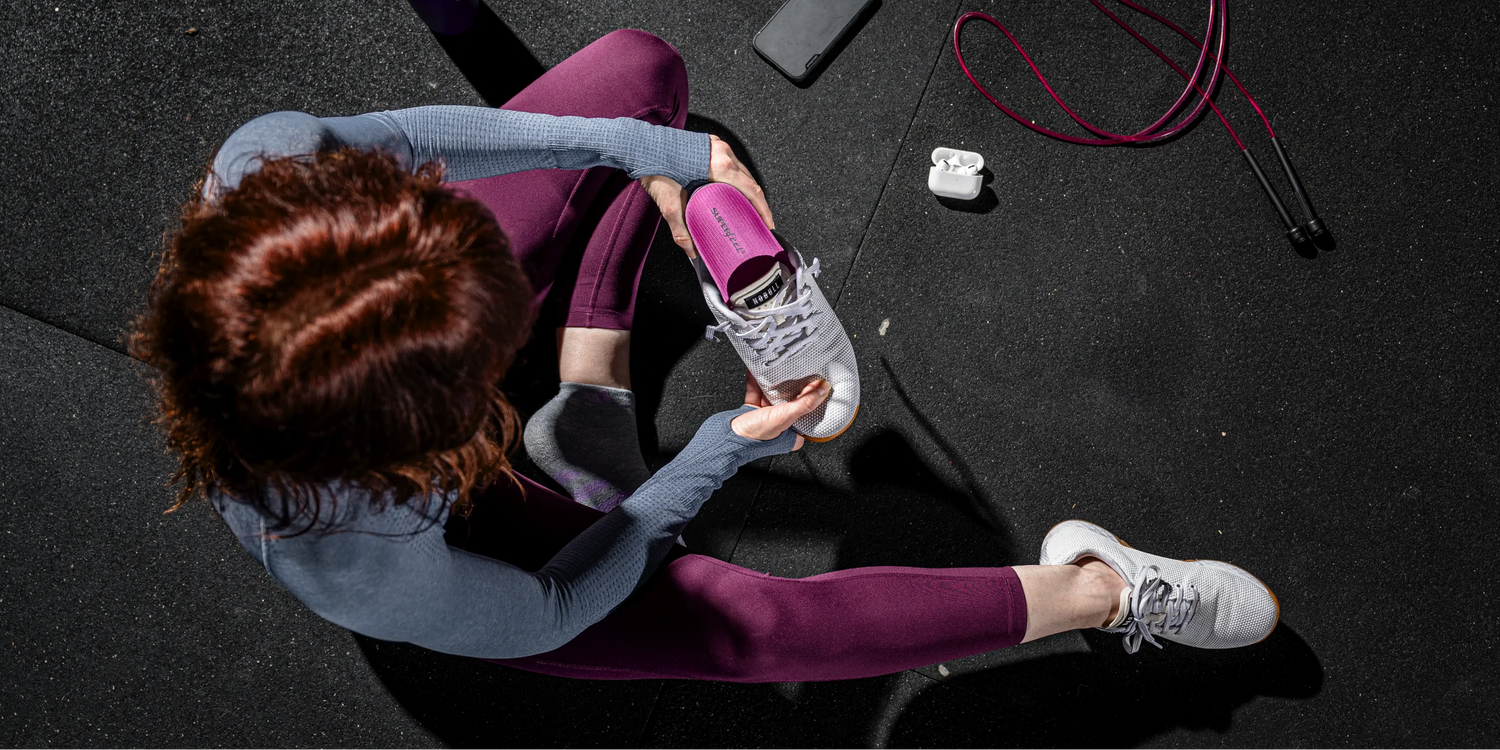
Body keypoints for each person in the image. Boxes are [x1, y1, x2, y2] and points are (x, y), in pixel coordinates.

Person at [133, 30, 1278, 681]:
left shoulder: (270, 168)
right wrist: (720, 451)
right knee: (760, 630)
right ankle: (1099, 590)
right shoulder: (362, 554)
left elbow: (425, 140)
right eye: (489, 358)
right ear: (440, 427)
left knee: (647, 81)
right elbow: (544, 612)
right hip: (490, 566)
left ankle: (584, 403)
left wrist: (652, 154)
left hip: (399, 384)